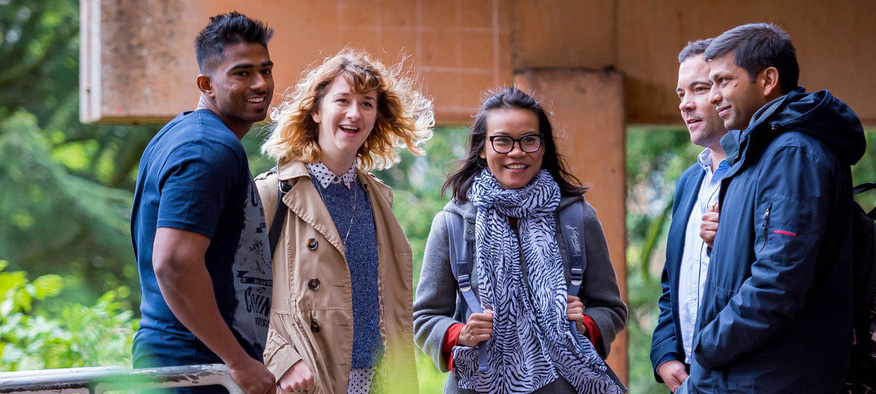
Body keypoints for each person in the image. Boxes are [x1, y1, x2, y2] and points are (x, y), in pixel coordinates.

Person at [683, 23, 866, 393]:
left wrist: (707, 346)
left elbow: (779, 282)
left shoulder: (793, 153)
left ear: (767, 80)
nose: (714, 97)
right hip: (739, 375)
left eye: (723, 82)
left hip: (768, 379)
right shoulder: (759, 151)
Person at [413, 87, 628, 394]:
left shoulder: (577, 218)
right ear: (482, 149)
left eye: (529, 140)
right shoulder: (453, 224)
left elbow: (611, 308)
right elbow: (424, 318)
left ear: (543, 148)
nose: (516, 152)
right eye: (502, 141)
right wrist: (459, 333)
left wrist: (585, 325)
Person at [256, 48, 434, 394]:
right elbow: (234, 293)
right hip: (307, 382)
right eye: (342, 100)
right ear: (317, 110)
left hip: (380, 382)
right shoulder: (272, 193)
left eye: (367, 103)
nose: (355, 113)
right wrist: (280, 359)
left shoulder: (380, 198)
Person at [130, 12, 276, 394]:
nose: (260, 83)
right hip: (194, 367)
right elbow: (175, 261)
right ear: (206, 84)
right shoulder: (208, 148)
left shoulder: (182, 134)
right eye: (242, 73)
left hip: (188, 361)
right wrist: (238, 362)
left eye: (265, 69)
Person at [649, 39, 729, 393]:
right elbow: (672, 287)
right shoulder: (689, 181)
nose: (685, 104)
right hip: (689, 378)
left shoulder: (758, 175)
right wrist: (664, 353)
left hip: (738, 375)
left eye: (699, 88)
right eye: (681, 93)